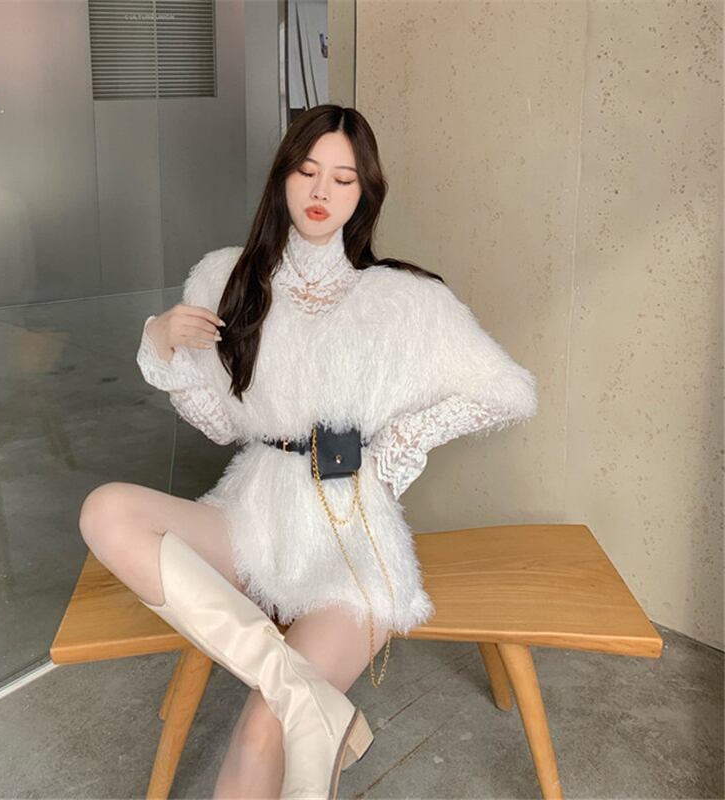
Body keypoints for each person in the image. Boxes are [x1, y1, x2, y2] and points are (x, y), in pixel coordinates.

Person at [78, 104, 538, 799]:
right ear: (283, 177)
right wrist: (161, 345)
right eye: (308, 171)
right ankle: (311, 699)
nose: (323, 192)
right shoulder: (227, 278)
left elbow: (509, 390)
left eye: (344, 179)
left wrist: (404, 439)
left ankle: (302, 704)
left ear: (364, 193)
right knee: (107, 510)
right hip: (251, 518)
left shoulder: (404, 298)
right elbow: (221, 424)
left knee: (261, 733)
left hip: (351, 539)